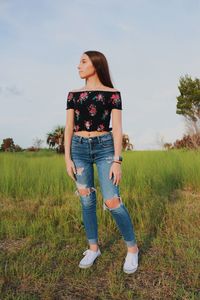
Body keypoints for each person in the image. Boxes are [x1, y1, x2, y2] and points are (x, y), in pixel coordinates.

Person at [64, 50, 139, 274]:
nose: (78, 65)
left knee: (112, 201)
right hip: (78, 148)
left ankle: (132, 249)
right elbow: (69, 127)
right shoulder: (72, 95)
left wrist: (117, 160)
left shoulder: (113, 93)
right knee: (86, 200)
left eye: (83, 61)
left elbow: (117, 129)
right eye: (79, 61)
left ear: (96, 65)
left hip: (105, 147)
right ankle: (93, 248)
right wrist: (67, 157)